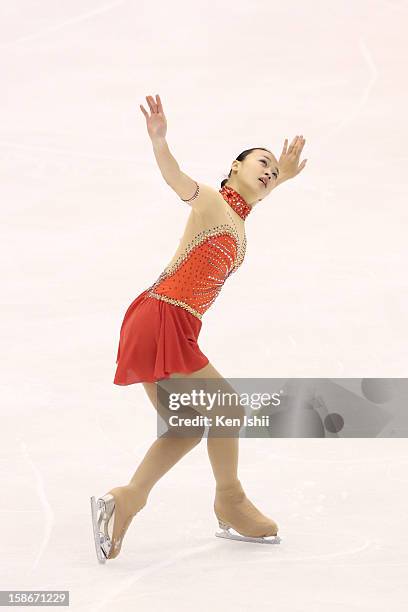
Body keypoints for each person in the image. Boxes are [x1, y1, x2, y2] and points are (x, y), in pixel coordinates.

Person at [90, 94, 307, 562]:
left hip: (165, 321)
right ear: (234, 166)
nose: (269, 170)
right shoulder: (211, 202)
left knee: (187, 426)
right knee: (228, 409)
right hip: (162, 317)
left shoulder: (237, 217)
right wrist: (160, 142)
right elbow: (178, 181)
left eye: (273, 169)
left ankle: (125, 500)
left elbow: (253, 199)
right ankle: (230, 499)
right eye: (261, 162)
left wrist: (282, 177)